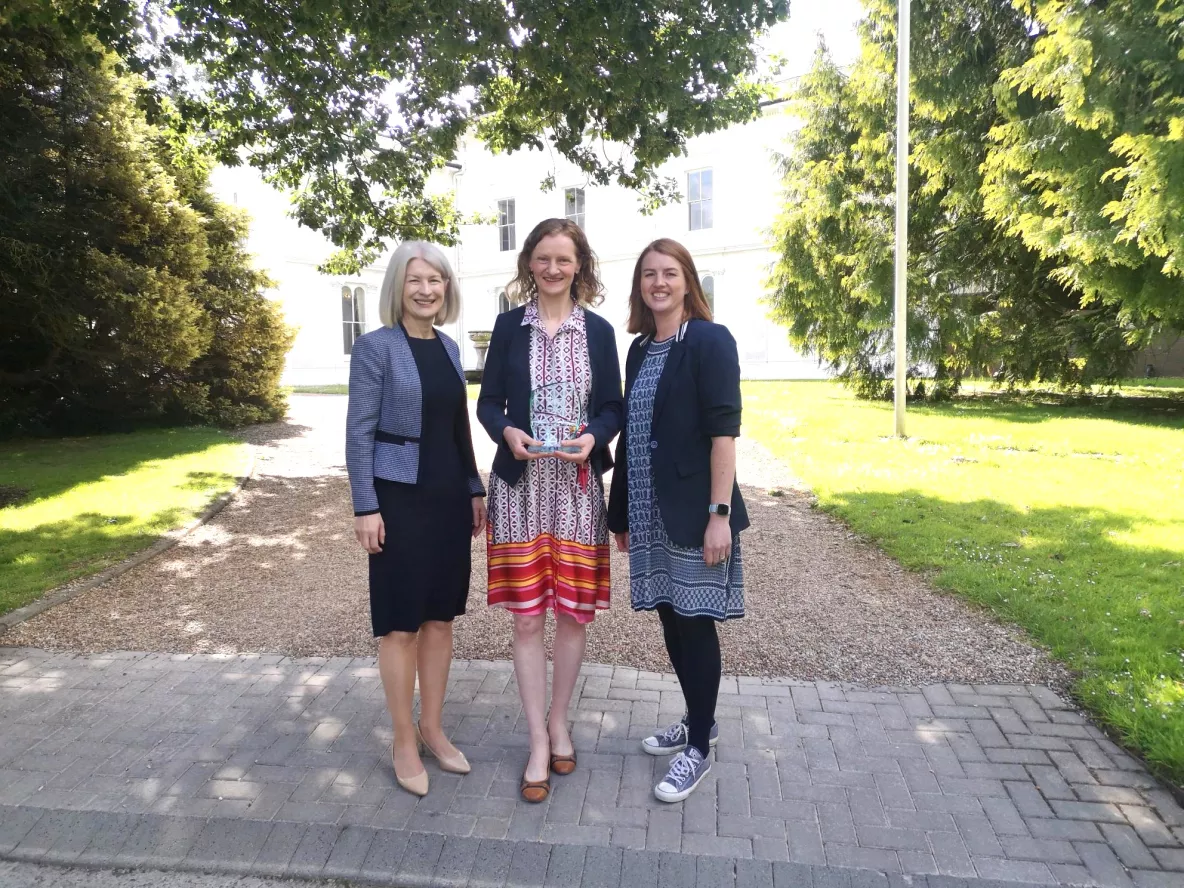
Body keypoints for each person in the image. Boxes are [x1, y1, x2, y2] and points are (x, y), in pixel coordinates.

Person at [477, 218, 623, 802]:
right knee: (527, 617)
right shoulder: (510, 327)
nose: (554, 269)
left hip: (577, 487)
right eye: (544, 258)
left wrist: (594, 437)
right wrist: (508, 431)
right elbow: (488, 404)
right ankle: (538, 738)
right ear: (529, 265)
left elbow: (612, 406)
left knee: (571, 614)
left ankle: (560, 719)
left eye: (565, 259)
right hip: (519, 488)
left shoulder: (600, 331)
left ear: (579, 265)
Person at [607, 238, 749, 803]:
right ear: (640, 286)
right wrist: (621, 513)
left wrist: (719, 516)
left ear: (688, 281)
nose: (658, 283)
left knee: (695, 623)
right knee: (670, 616)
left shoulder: (710, 342)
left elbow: (724, 435)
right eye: (648, 275)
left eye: (669, 273)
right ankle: (699, 719)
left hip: (696, 511)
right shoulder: (640, 348)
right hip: (647, 509)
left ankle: (699, 750)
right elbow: (635, 436)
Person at [346, 241, 487, 797]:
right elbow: (359, 431)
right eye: (415, 281)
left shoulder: (450, 349)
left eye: (436, 280)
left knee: (440, 620)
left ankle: (432, 727)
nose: (427, 290)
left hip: (448, 498)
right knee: (401, 623)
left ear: (446, 288)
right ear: (397, 290)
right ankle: (404, 738)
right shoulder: (376, 348)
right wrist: (365, 506)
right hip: (398, 499)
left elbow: (458, 428)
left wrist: (475, 489)